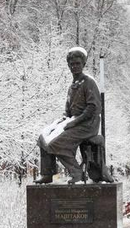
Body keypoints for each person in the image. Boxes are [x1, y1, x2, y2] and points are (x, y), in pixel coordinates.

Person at [37, 46, 102, 184]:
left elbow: (93, 108)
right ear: (68, 66)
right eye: (72, 64)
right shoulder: (72, 86)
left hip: (88, 124)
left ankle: (76, 172)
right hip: (74, 122)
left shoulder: (89, 82)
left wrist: (75, 121)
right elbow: (68, 110)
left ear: (83, 64)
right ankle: (48, 173)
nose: (75, 67)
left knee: (56, 143)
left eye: (78, 63)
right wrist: (62, 119)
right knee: (43, 137)